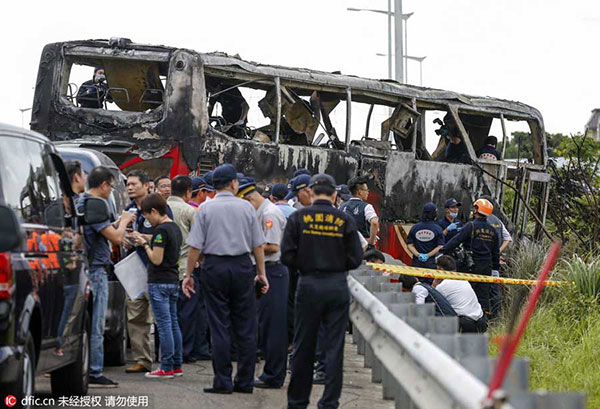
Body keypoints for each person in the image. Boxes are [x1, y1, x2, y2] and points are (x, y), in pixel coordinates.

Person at [182, 164, 268, 394]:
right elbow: (257, 245)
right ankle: (245, 381)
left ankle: (222, 380)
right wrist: (261, 273)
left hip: (214, 267)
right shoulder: (247, 208)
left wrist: (188, 274)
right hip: (242, 267)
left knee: (219, 324)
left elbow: (195, 246)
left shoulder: (206, 209)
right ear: (233, 183)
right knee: (246, 326)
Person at [282, 173, 363, 409]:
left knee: (303, 346)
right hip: (337, 285)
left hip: (308, 284)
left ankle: (297, 402)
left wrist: (306, 264)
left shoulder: (299, 218)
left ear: (311, 192)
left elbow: (286, 255)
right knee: (334, 347)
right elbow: (356, 258)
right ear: (335, 194)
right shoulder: (345, 220)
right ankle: (329, 402)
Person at [77, 166, 136, 387]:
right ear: (103, 185)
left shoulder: (81, 202)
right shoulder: (97, 204)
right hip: (96, 271)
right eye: (111, 186)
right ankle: (94, 371)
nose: (111, 190)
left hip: (84, 269)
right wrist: (124, 220)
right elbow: (115, 238)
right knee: (97, 324)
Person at [237, 177, 289, 389]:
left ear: (249, 199)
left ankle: (274, 376)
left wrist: (242, 246)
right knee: (264, 325)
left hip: (273, 272)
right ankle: (270, 373)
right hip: (266, 271)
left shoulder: (269, 214)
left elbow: (272, 246)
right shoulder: (261, 212)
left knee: (273, 327)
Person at [129, 193, 184, 378]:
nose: (147, 220)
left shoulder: (161, 231)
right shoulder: (174, 228)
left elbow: (156, 259)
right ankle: (176, 364)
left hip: (159, 281)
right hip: (173, 280)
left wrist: (145, 244)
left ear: (154, 211)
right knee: (174, 322)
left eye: (147, 216)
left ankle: (166, 366)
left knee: (164, 324)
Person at [124, 170, 172, 374]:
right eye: (128, 184)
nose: (130, 187)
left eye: (134, 184)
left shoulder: (160, 206)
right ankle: (142, 359)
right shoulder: (128, 210)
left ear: (146, 185)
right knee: (135, 316)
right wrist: (126, 238)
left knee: (162, 317)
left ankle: (167, 360)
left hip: (156, 268)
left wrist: (141, 237)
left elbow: (166, 234)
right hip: (134, 269)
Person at [166, 176, 208, 362]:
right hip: (186, 268)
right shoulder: (190, 211)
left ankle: (167, 349)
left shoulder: (161, 208)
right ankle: (185, 351)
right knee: (187, 312)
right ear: (188, 192)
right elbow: (199, 242)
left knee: (166, 313)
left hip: (163, 268)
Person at [442, 198, 500, 317]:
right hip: (487, 267)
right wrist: (495, 268)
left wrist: (442, 251)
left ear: (477, 210)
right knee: (483, 294)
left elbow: (456, 240)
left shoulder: (471, 226)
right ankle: (483, 319)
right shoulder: (493, 230)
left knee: (467, 290)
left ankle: (467, 317)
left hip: (471, 266)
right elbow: (496, 253)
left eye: (475, 208)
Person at [432, 256, 487, 333]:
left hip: (465, 324)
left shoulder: (443, 286)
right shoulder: (464, 280)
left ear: (440, 269)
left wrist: (434, 286)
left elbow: (433, 303)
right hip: (481, 322)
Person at [406, 202, 445, 283]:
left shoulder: (415, 228)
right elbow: (440, 246)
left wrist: (418, 255)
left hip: (417, 263)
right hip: (431, 263)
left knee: (416, 284)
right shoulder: (438, 229)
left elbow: (410, 245)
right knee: (430, 286)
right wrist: (427, 255)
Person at [338, 176, 379, 247]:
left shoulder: (341, 207)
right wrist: (371, 241)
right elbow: (374, 223)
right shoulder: (367, 207)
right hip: (362, 248)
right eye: (366, 190)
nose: (368, 193)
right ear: (360, 192)